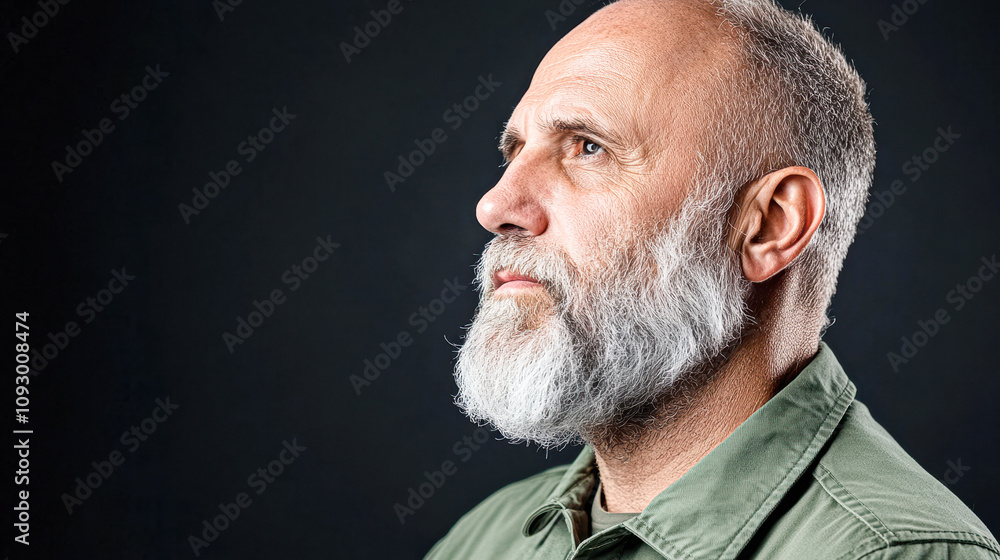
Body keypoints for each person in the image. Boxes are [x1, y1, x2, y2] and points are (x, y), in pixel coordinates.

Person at [426, 0, 999, 558]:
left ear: (769, 226)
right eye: (516, 149)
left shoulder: (891, 551)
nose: (495, 204)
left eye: (588, 147)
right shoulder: (483, 540)